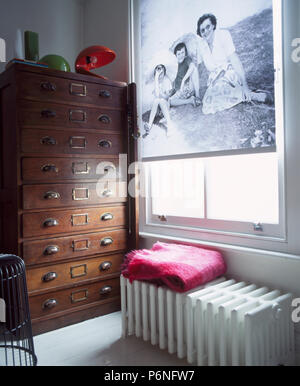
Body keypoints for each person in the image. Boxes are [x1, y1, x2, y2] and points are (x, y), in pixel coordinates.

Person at [196, 13, 272, 115]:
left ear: (213, 25)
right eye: (202, 30)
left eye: (208, 27)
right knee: (207, 104)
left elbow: (235, 60)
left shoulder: (223, 35)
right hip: (215, 79)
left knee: (218, 92)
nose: (206, 31)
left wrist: (245, 86)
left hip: (229, 73)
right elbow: (199, 68)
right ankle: (246, 94)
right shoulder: (202, 47)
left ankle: (255, 95)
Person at [143, 64, 174, 138]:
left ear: (164, 72)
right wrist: (156, 78)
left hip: (165, 106)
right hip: (156, 108)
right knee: (157, 100)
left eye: (161, 72)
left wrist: (161, 94)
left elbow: (167, 97)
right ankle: (149, 126)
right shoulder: (155, 81)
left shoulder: (167, 81)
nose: (160, 74)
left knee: (161, 100)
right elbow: (156, 95)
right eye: (158, 71)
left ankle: (169, 126)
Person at [169, 42, 201, 108]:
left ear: (185, 52)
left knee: (194, 69)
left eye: (183, 52)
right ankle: (190, 100)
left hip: (189, 86)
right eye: (179, 54)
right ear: (175, 55)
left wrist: (183, 80)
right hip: (181, 91)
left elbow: (192, 66)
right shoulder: (174, 65)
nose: (181, 55)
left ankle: (197, 96)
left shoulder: (186, 59)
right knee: (170, 101)